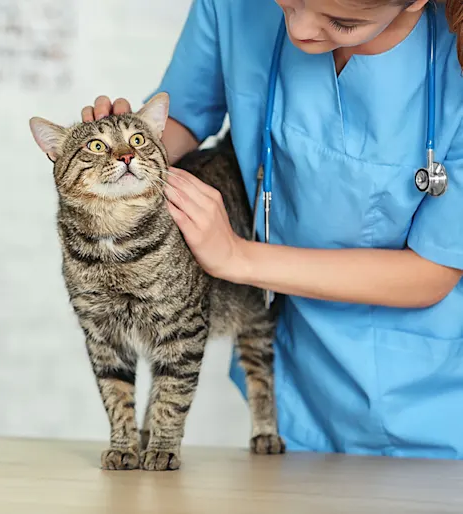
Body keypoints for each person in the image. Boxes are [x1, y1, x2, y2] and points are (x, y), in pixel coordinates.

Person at [79, 0, 463, 459]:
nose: (300, 30)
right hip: (293, 381)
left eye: (341, 22)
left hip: (431, 402)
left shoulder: (453, 64)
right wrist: (128, 150)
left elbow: (434, 269)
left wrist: (236, 257)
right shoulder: (232, 5)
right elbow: (184, 114)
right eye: (287, 2)